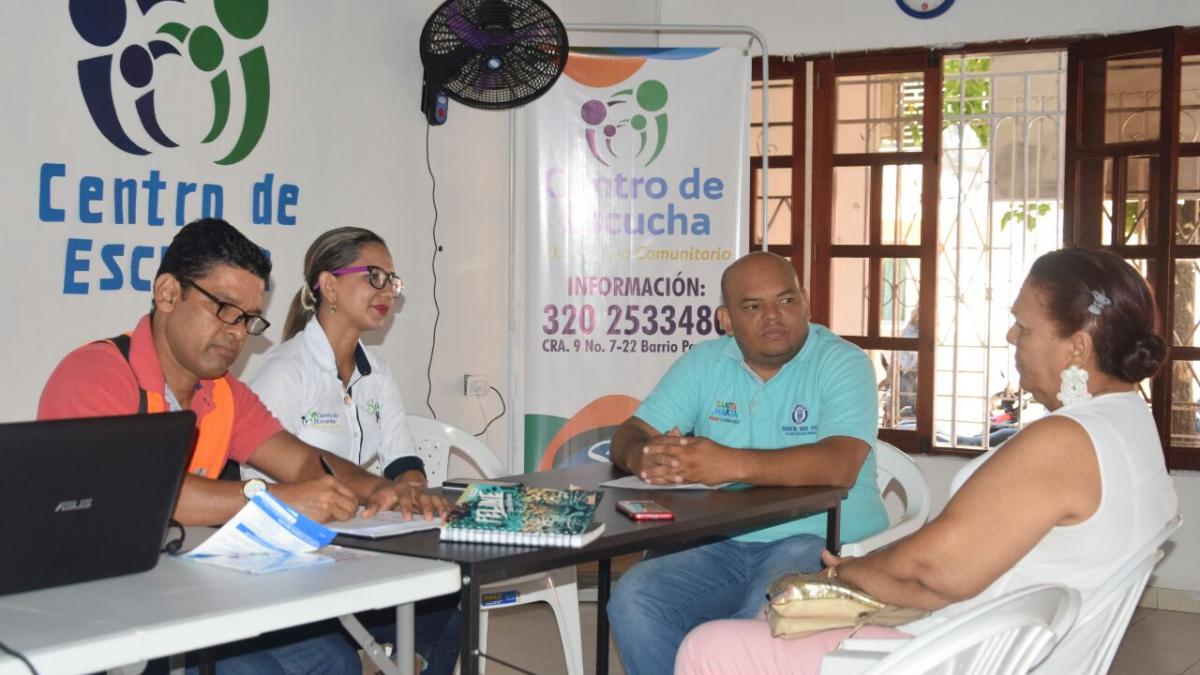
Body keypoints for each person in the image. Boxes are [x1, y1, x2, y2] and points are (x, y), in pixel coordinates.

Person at [675, 248, 1178, 675]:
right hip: (1008, 644)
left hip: (958, 655)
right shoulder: (1129, 421)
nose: (1010, 338)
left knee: (709, 645)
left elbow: (933, 573)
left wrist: (842, 576)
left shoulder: (1063, 442)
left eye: (1023, 326)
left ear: (1077, 348)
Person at [37, 218, 441, 674]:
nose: (236, 332)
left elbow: (302, 459)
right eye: (226, 309)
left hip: (186, 592)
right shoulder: (97, 375)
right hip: (93, 609)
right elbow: (134, 495)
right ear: (168, 293)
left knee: (333, 661)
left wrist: (374, 489)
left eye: (248, 319)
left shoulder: (224, 392)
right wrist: (275, 500)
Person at [606, 251, 889, 675]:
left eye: (786, 300)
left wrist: (728, 464)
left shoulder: (842, 362)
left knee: (749, 627)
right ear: (725, 319)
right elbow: (630, 433)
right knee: (633, 596)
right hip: (720, 539)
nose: (773, 316)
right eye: (753, 306)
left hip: (820, 541)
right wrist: (642, 455)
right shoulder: (705, 362)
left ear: (807, 303)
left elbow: (839, 464)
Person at [244, 226, 460, 675]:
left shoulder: (377, 374)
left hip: (359, 551)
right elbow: (252, 478)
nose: (388, 292)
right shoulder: (285, 372)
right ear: (328, 286)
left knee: (455, 592)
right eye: (374, 277)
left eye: (393, 282)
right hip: (298, 561)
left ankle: (407, 663)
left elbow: (403, 463)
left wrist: (415, 492)